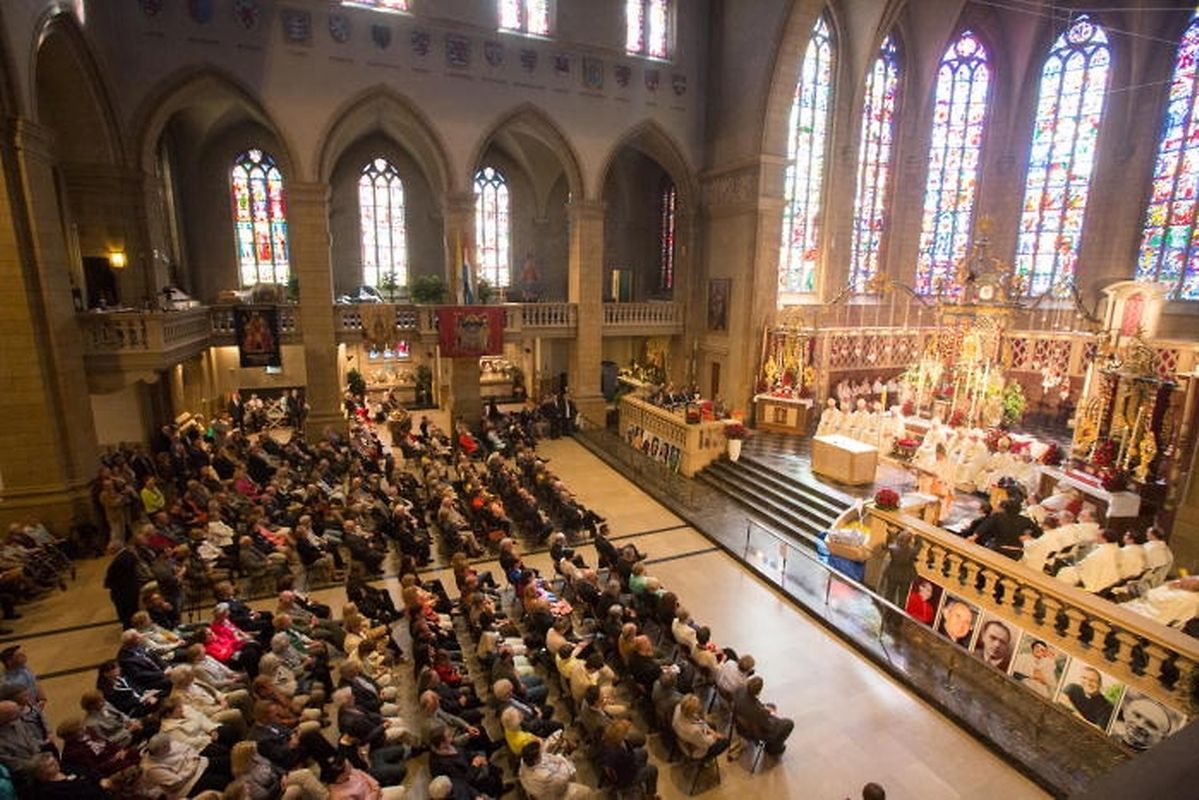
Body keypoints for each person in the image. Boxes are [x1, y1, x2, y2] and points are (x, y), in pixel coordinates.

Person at [732, 675, 794, 756]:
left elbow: (753, 705)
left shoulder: (739, 689)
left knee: (771, 705)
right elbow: (769, 727)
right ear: (758, 692)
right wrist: (771, 715)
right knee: (788, 724)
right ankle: (774, 748)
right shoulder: (759, 711)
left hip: (740, 723)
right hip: (755, 732)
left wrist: (764, 709)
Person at [517, 739, 589, 800]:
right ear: (536, 760)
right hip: (555, 795)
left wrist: (557, 759)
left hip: (542, 789)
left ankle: (573, 751)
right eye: (540, 753)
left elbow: (547, 757)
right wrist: (564, 761)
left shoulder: (524, 763)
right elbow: (565, 777)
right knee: (587, 792)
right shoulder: (546, 777)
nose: (542, 753)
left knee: (562, 746)